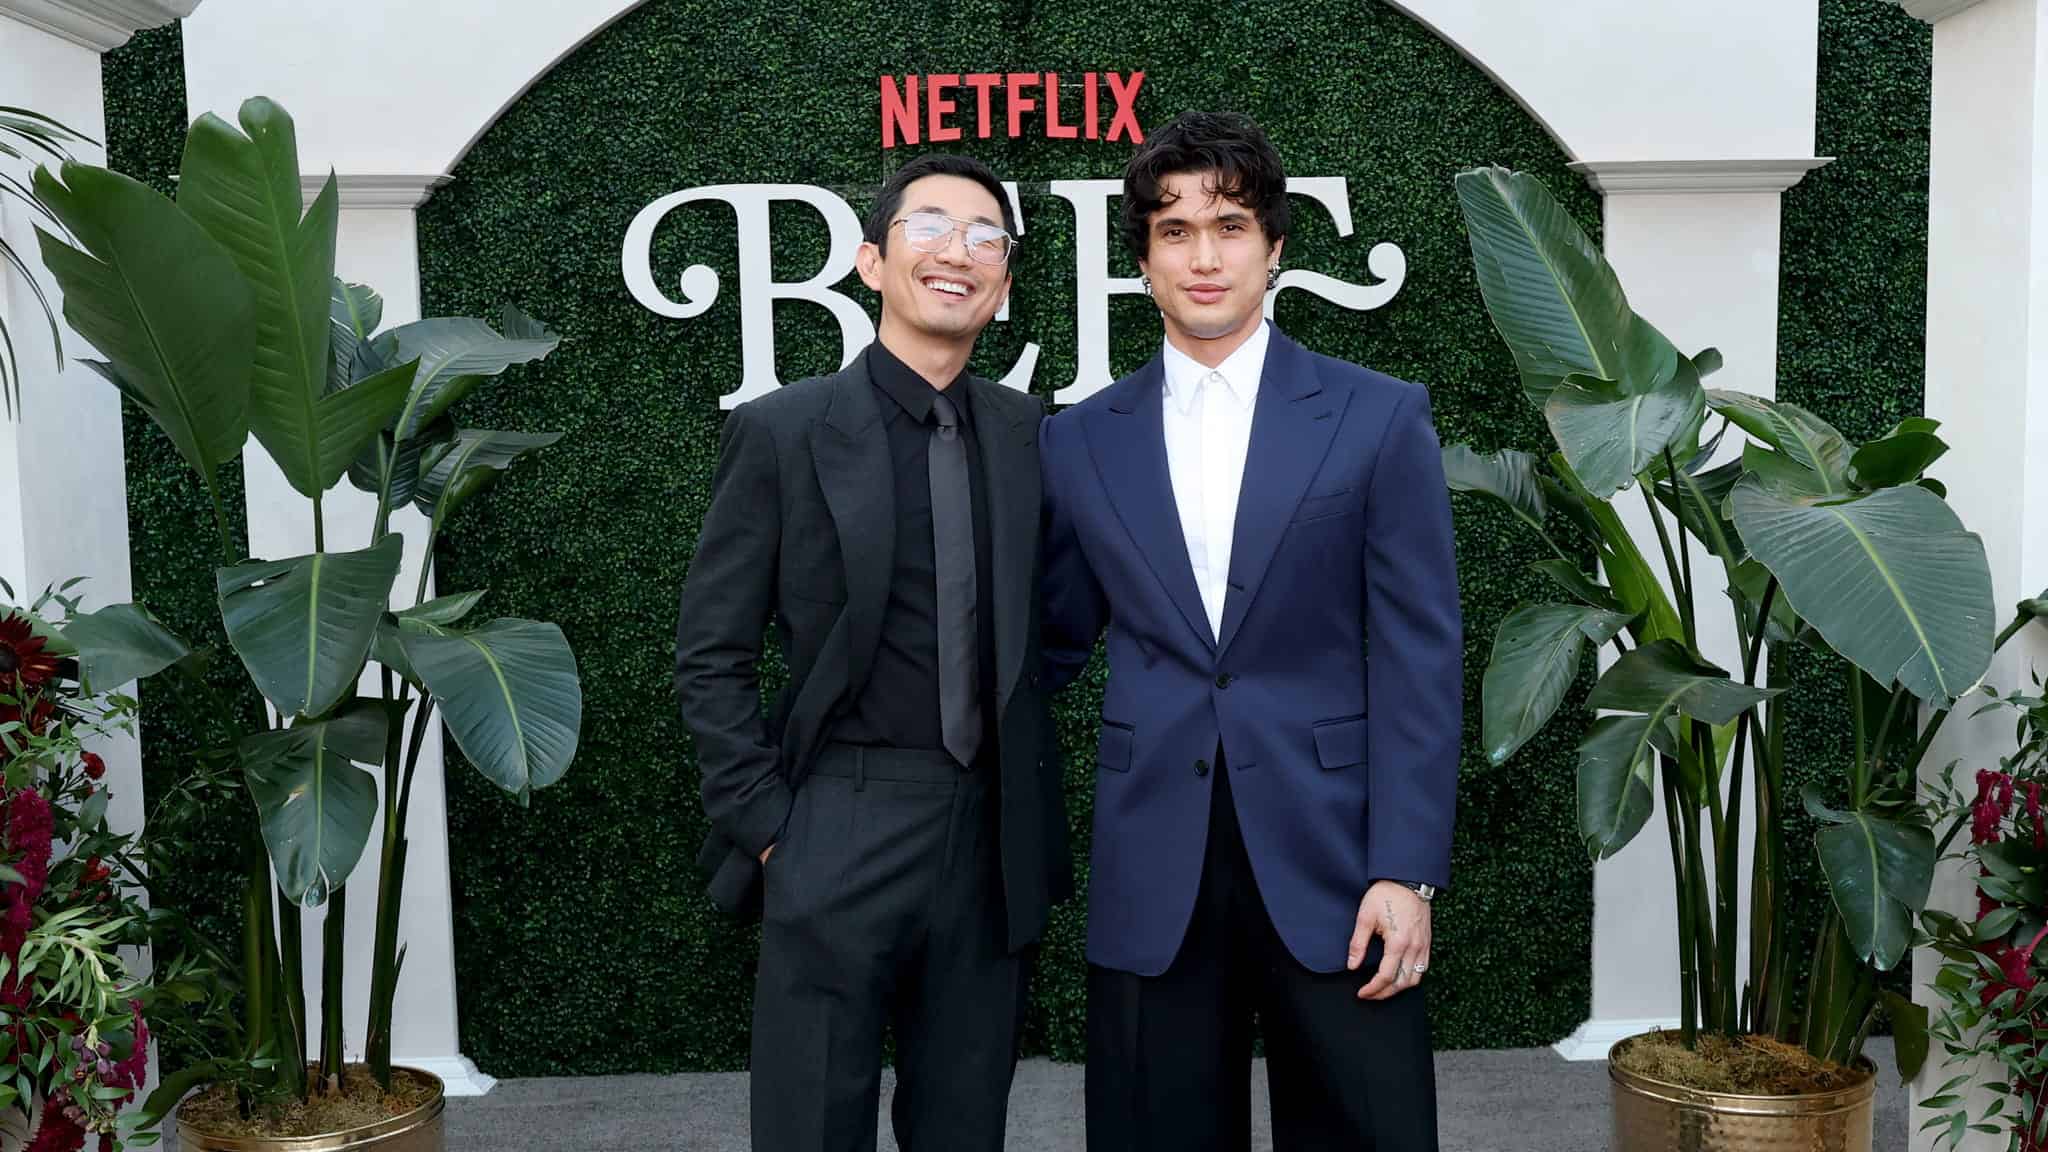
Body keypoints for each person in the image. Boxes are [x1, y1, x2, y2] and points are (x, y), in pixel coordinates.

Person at [1039, 110, 1463, 1151]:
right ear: (1140, 259)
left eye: (1227, 225)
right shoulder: (1078, 438)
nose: (1203, 254)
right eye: (1173, 231)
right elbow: (1043, 648)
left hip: (1337, 859)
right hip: (1153, 864)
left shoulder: (1377, 415)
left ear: (1273, 246)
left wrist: (1404, 871)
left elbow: (1420, 654)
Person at [675, 152, 1069, 1152]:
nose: (958, 253)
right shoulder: (781, 432)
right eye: (929, 227)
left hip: (986, 838)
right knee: (811, 1125)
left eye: (986, 238)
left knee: (964, 1127)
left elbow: (1053, 622)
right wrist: (772, 829)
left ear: (1005, 282)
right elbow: (710, 651)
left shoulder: (1030, 434)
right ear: (870, 262)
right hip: (833, 820)